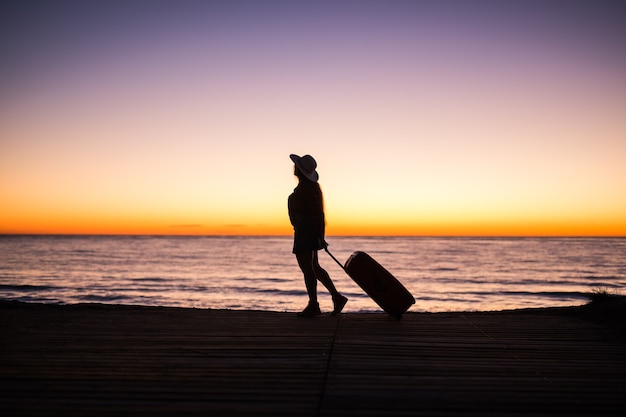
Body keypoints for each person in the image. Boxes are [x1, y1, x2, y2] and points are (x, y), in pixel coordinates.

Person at [288, 154, 348, 317]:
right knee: (314, 268)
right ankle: (336, 297)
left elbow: (316, 215)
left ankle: (315, 304)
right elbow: (318, 214)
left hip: (305, 233)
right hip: (307, 232)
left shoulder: (305, 190)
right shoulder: (310, 188)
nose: (293, 167)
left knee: (308, 269)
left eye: (296, 166)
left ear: (299, 170)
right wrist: (320, 236)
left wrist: (319, 236)